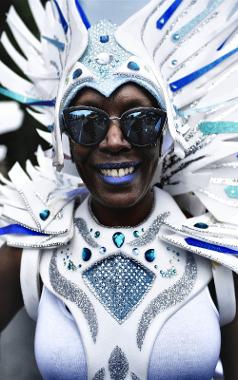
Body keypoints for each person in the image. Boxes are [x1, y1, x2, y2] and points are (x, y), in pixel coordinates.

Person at [0, 0, 238, 379]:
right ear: (65, 141)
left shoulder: (220, 251)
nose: (114, 141)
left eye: (140, 121)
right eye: (86, 122)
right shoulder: (30, 250)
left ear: (166, 135)